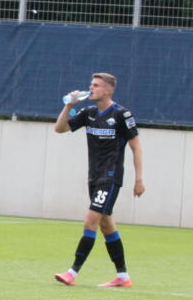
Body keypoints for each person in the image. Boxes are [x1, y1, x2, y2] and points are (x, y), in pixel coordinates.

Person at [53, 73, 145, 288]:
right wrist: (69, 106)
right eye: (91, 84)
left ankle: (72, 272)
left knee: (90, 220)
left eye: (96, 85)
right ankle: (123, 277)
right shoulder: (89, 112)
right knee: (106, 224)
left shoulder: (122, 114)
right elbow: (59, 129)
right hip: (94, 176)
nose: (91, 88)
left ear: (108, 90)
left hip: (110, 177)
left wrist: (139, 179)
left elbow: (136, 147)